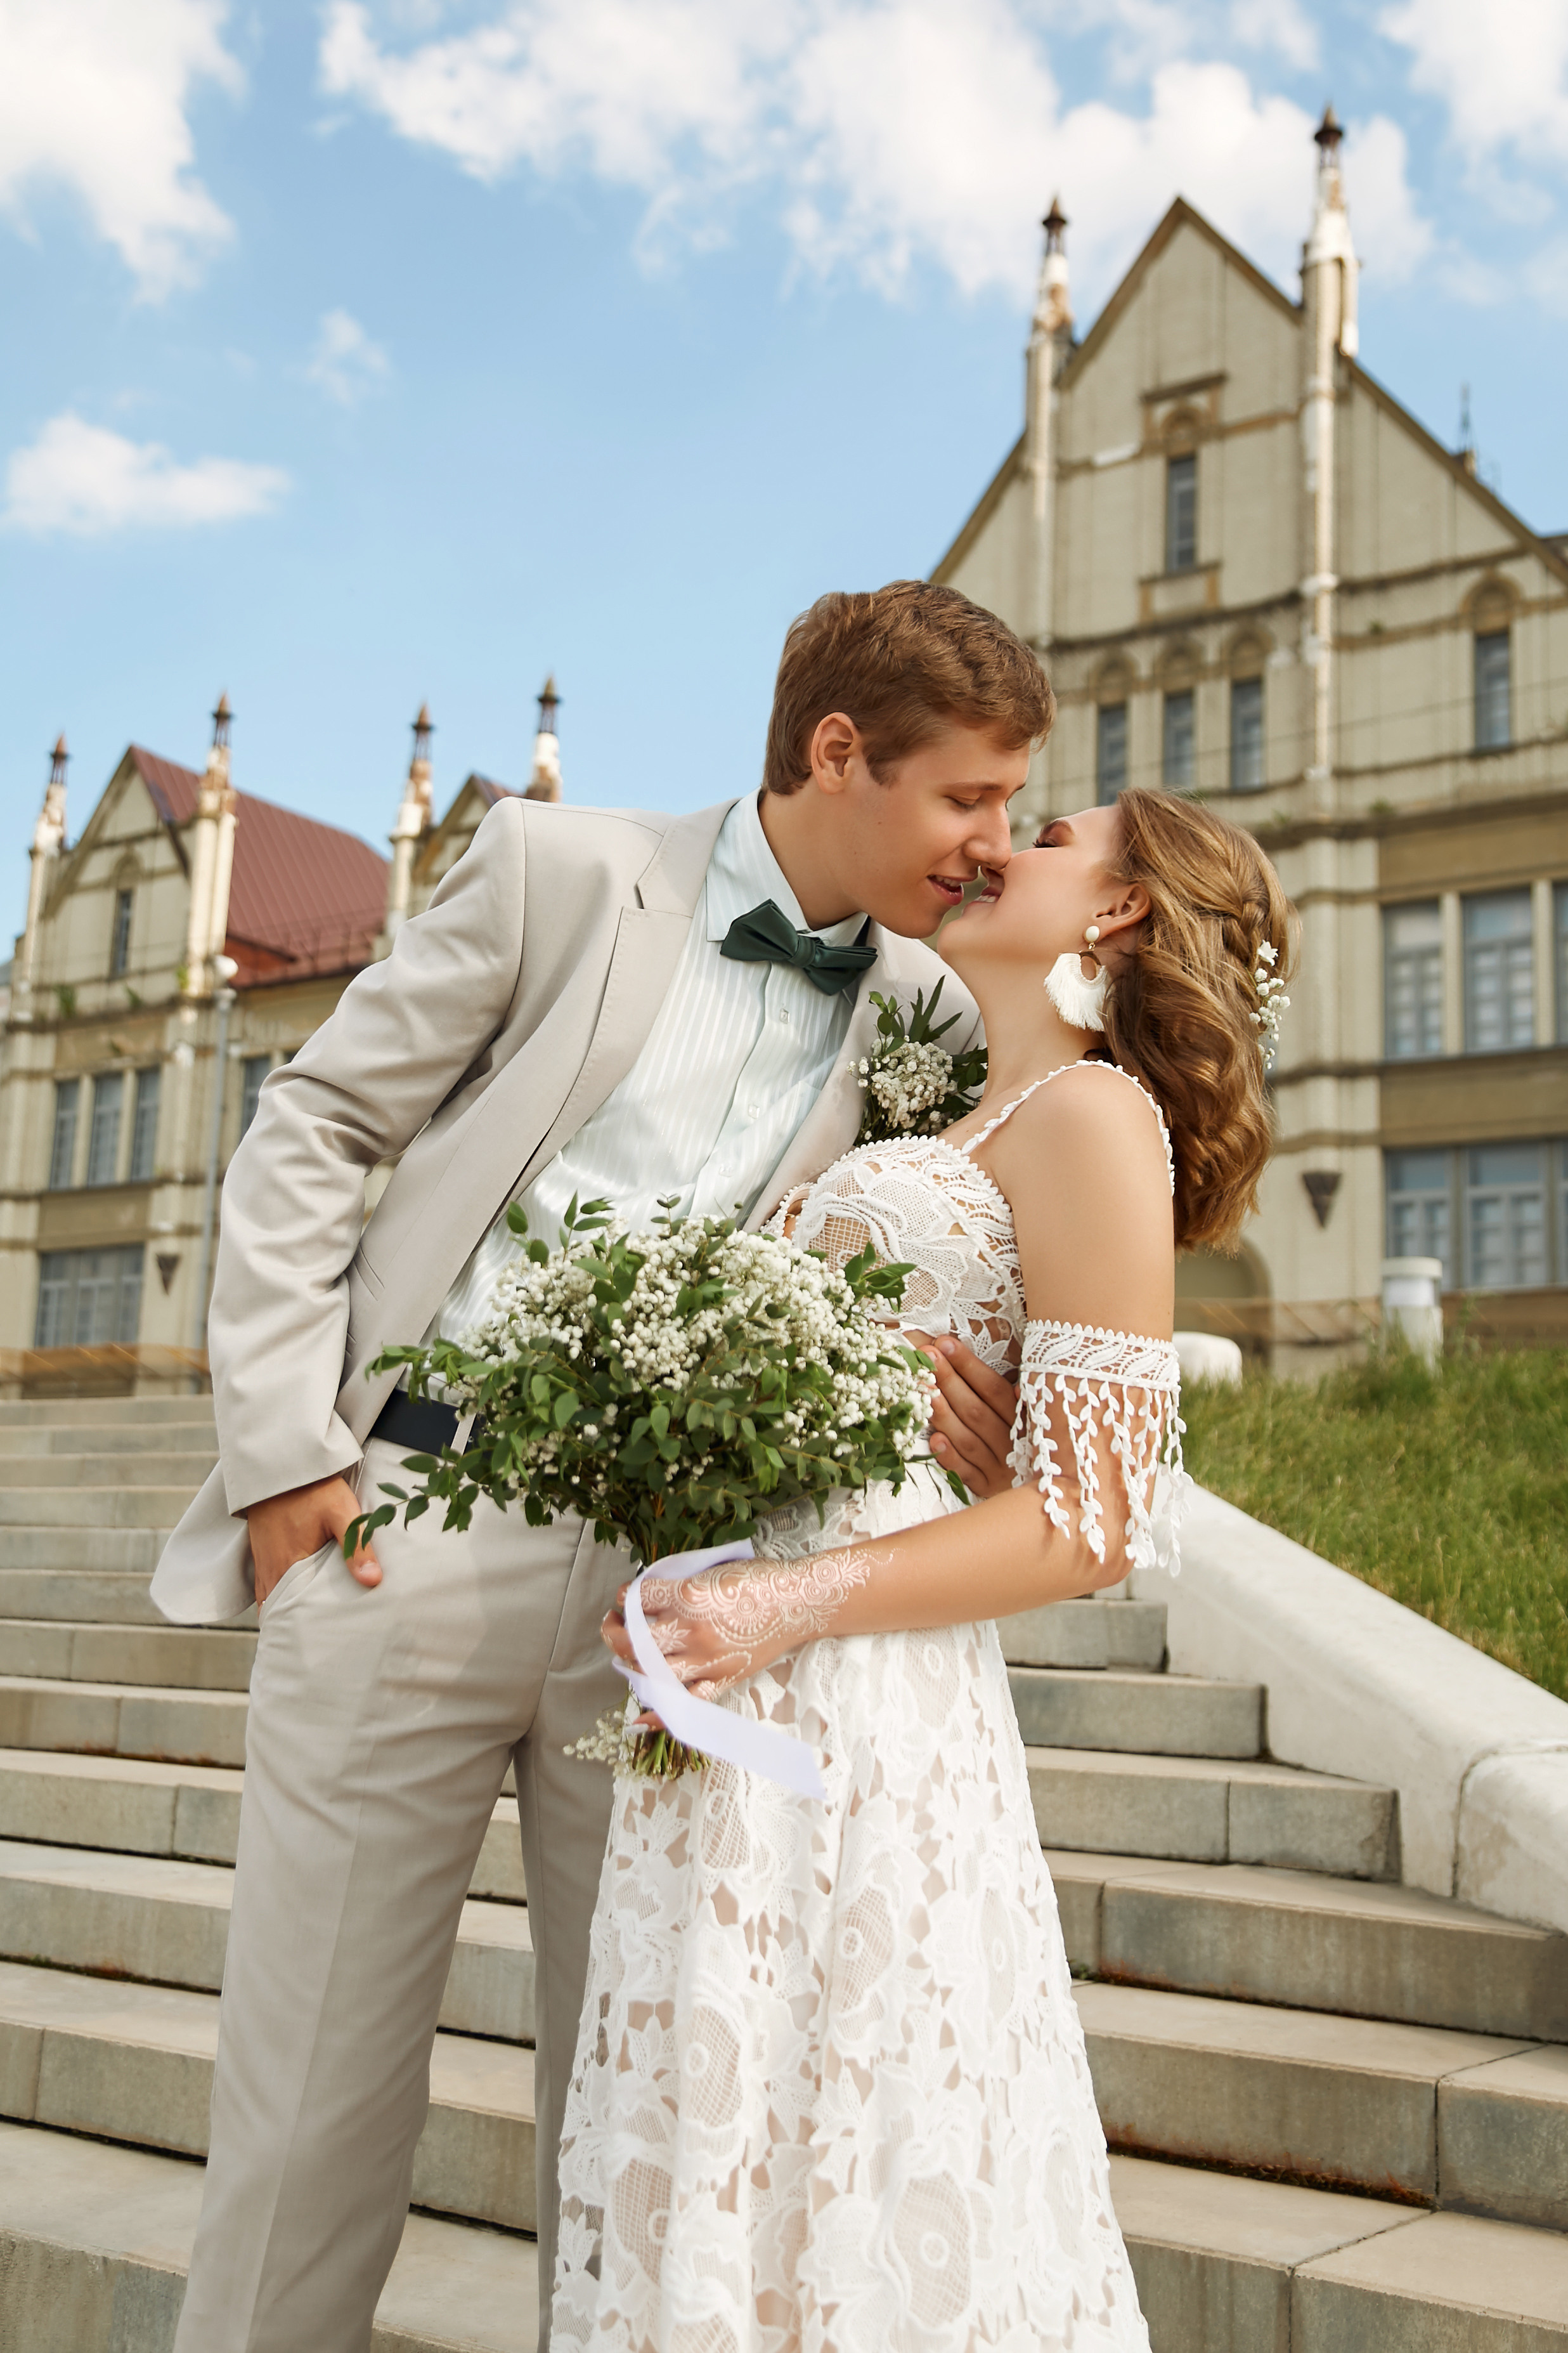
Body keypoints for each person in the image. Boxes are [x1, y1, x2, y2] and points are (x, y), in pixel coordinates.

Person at [151, 581, 1053, 2351]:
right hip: (407, 1532)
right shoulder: (562, 871)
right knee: (312, 2106)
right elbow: (317, 1122)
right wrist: (282, 1461)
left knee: (635, 2109)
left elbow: (983, 1235)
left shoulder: (934, 1010)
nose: (995, 842)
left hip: (673, 1605)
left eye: (1014, 805)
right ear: (839, 750)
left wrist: (991, 1398)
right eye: (969, 796)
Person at [560, 785, 1293, 2350]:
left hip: (864, 1684)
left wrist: (782, 1602)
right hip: (752, 1654)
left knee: (859, 2116)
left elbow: (1091, 1522)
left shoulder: (1094, 1114)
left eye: (1050, 837)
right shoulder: (955, 1113)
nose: (999, 846)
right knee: (744, 2113)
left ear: (1117, 910)